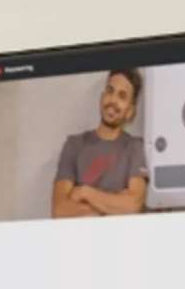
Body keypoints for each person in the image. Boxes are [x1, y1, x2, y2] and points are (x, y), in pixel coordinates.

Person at [52, 69, 148, 217]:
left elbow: (133, 205)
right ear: (102, 97)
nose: (113, 100)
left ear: (130, 111)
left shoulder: (136, 147)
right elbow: (60, 211)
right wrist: (114, 205)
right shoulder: (74, 145)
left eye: (122, 96)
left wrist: (84, 192)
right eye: (110, 91)